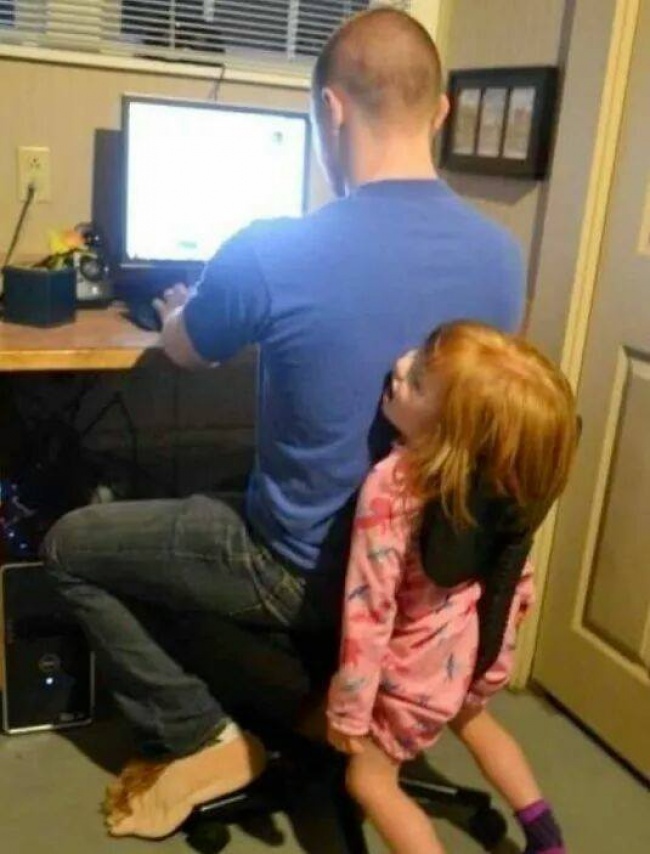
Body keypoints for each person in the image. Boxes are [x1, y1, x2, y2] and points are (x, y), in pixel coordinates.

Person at [43, 7, 525, 841]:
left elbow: (186, 351)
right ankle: (300, 699)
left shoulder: (272, 249)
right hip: (428, 575)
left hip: (298, 567)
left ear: (330, 111)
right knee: (226, 477)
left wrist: (181, 310)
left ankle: (203, 733)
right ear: (442, 112)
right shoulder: (504, 257)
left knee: (69, 545)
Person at [327, 322, 577, 854]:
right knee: (476, 720)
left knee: (369, 781)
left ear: (447, 432)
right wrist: (492, 667)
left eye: (418, 382)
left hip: (409, 674)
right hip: (467, 653)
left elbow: (368, 607)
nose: (399, 367)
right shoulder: (497, 487)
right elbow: (515, 582)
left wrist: (349, 709)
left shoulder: (393, 488)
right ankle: (546, 838)